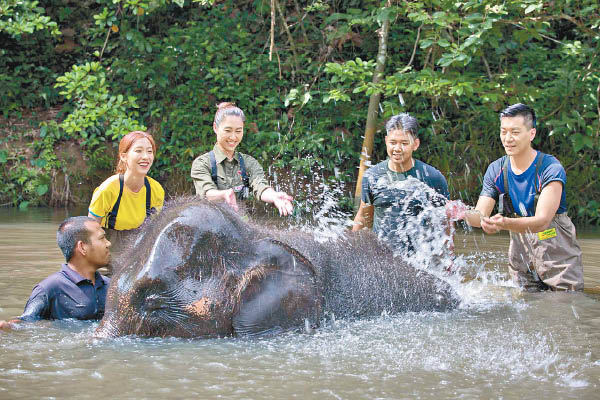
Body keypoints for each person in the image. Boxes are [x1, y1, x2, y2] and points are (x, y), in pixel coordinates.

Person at [453, 103, 584, 291]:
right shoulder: (497, 169)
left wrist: (503, 223)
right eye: (503, 132)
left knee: (565, 306)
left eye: (514, 132)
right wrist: (461, 212)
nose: (507, 139)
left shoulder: (550, 168)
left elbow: (542, 222)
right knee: (524, 306)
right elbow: (479, 216)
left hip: (556, 248)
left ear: (531, 134)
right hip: (521, 253)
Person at [352, 113, 450, 255]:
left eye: (404, 143)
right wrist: (353, 251)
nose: (397, 148)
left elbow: (444, 221)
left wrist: (448, 257)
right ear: (386, 141)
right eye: (393, 143)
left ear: (415, 144)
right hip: (381, 257)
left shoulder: (432, 177)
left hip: (420, 260)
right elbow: (363, 217)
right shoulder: (373, 176)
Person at [0, 217, 111, 330]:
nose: (108, 243)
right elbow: (26, 322)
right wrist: (8, 326)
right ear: (82, 247)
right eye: (102, 238)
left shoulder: (111, 285)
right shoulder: (49, 288)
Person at [191, 102, 294, 216]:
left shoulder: (249, 163)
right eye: (228, 130)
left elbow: (260, 186)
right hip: (210, 225)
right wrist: (223, 195)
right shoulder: (202, 163)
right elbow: (206, 193)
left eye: (238, 131)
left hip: (240, 226)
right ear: (215, 128)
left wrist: (274, 196)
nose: (233, 137)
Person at [88, 131, 165, 265]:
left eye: (149, 151)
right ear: (124, 156)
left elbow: (155, 228)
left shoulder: (155, 190)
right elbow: (89, 230)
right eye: (138, 151)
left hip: (139, 244)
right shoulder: (108, 189)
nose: (145, 157)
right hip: (109, 244)